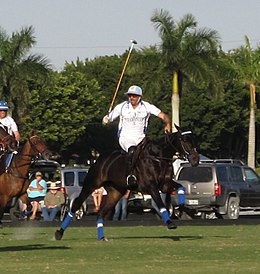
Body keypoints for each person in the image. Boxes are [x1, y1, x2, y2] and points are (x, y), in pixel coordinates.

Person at [102, 85, 171, 188]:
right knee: (132, 150)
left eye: (134, 96)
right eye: (130, 96)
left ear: (139, 97)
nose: (131, 98)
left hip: (141, 138)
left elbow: (163, 116)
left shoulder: (147, 106)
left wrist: (168, 123)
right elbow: (109, 118)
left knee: (154, 152)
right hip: (125, 137)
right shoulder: (121, 107)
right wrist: (106, 119)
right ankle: (131, 176)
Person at [0, 101, 20, 168]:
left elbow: (16, 133)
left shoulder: (10, 120)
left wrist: (15, 143)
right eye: (1, 110)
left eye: (5, 110)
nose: (3, 112)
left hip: (9, 145)